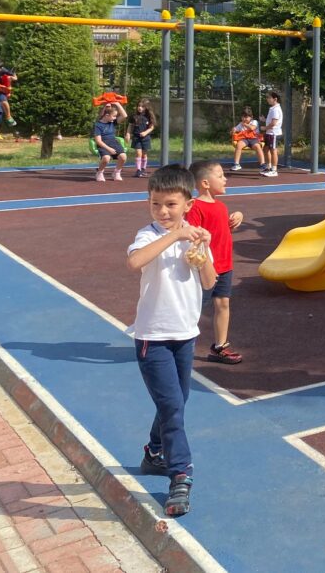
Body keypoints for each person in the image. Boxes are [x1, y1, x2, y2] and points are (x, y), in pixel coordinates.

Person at [127, 164, 216, 518]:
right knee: (173, 408)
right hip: (153, 337)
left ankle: (153, 452)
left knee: (176, 401)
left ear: (188, 204)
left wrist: (201, 249)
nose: (162, 211)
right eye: (155, 204)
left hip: (185, 335)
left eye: (170, 205)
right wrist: (175, 235)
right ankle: (180, 475)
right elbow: (135, 262)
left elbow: (209, 282)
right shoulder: (147, 236)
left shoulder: (195, 236)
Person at [186, 159, 244, 365]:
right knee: (194, 308)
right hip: (206, 269)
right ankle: (181, 343)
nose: (225, 179)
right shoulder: (195, 207)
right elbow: (193, 237)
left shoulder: (220, 206)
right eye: (220, 176)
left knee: (223, 304)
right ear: (205, 183)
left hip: (225, 265)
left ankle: (220, 346)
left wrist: (236, 218)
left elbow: (221, 231)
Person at [93, 101, 128, 182]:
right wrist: (109, 149)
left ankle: (116, 172)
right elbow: (98, 141)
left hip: (113, 142)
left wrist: (117, 104)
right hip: (103, 144)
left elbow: (124, 115)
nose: (115, 118)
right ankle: (99, 172)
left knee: (123, 157)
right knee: (106, 158)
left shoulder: (112, 122)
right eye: (114, 116)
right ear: (107, 115)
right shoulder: (98, 125)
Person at [128, 99, 156, 178]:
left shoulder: (149, 116)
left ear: (146, 108)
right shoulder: (134, 116)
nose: (140, 108)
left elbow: (151, 127)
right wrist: (128, 134)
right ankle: (138, 170)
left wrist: (145, 132)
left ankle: (143, 169)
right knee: (138, 153)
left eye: (142, 106)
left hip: (145, 138)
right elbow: (130, 126)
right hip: (136, 137)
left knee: (144, 154)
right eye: (139, 106)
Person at [230, 107, 264, 172]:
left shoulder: (254, 122)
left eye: (246, 117)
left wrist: (245, 124)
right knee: (239, 145)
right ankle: (236, 164)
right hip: (244, 139)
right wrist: (233, 130)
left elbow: (252, 128)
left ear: (251, 117)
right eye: (242, 117)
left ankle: (262, 164)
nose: (244, 119)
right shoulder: (240, 124)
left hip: (254, 139)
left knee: (258, 147)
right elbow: (234, 130)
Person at [261, 91, 283, 178]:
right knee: (265, 149)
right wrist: (264, 120)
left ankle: (274, 170)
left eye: (269, 98)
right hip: (269, 133)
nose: (267, 99)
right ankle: (268, 167)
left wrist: (265, 128)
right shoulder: (273, 108)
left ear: (275, 99)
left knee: (273, 151)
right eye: (267, 97)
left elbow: (274, 123)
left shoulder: (276, 109)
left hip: (273, 133)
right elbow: (271, 120)